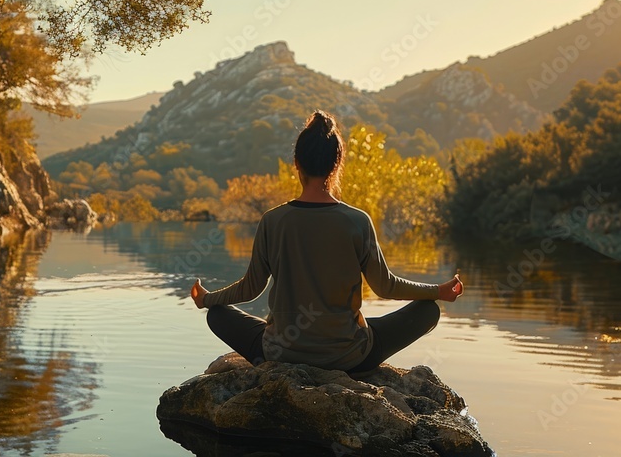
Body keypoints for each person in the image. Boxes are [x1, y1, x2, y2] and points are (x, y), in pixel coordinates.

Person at [190, 109, 462, 373]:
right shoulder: (357, 221)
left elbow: (250, 289)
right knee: (427, 311)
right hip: (350, 358)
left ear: (296, 162)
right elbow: (385, 287)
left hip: (281, 353)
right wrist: (438, 291)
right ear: (337, 163)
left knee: (217, 315)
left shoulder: (272, 221)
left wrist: (208, 299)